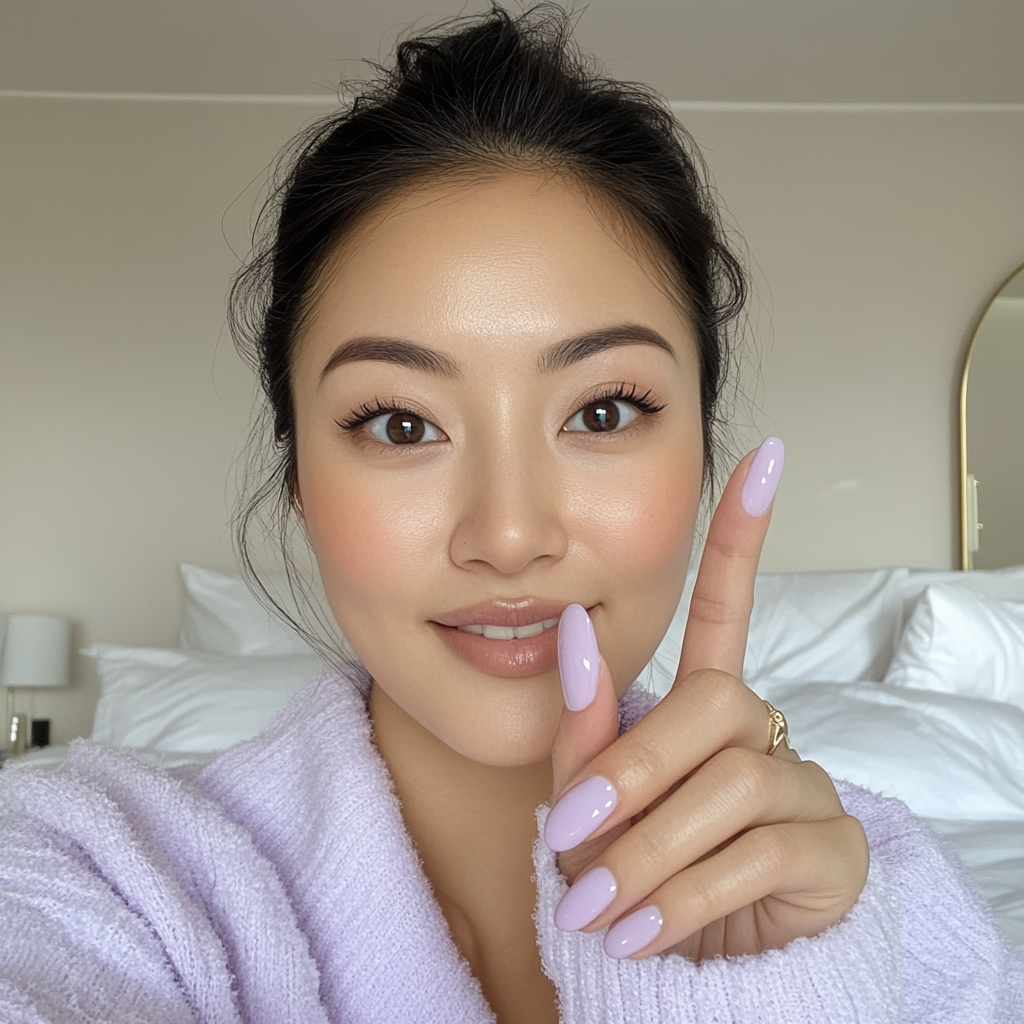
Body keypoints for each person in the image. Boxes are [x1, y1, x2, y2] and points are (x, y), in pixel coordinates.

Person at [1, 6, 1021, 1023]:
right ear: (300, 474)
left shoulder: (885, 897)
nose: (508, 533)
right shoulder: (95, 870)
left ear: (702, 453)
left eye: (602, 411)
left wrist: (760, 991)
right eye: (401, 424)